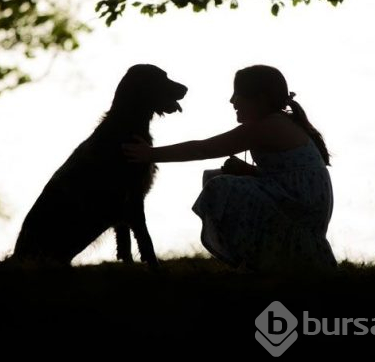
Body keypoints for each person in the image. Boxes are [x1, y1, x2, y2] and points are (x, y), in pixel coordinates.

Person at [122, 65, 337, 272]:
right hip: (301, 201)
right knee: (217, 176)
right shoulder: (278, 122)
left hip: (301, 208)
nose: (232, 101)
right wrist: (251, 172)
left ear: (260, 99)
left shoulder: (267, 126)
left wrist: (151, 154)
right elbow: (288, 175)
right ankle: (266, 258)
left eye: (238, 95)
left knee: (220, 187)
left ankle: (260, 260)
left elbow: (202, 149)